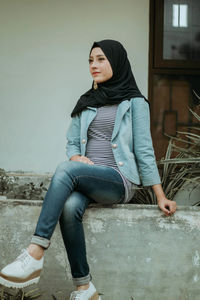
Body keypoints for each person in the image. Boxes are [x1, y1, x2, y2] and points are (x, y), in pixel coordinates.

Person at [0, 39, 177, 300]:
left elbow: (144, 150)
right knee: (70, 208)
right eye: (91, 60)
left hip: (118, 179)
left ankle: (35, 252)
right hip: (87, 179)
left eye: (101, 59)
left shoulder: (134, 102)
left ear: (116, 61)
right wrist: (76, 156)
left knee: (66, 170)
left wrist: (160, 195)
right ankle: (85, 288)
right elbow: (72, 141)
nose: (94, 65)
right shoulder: (87, 100)